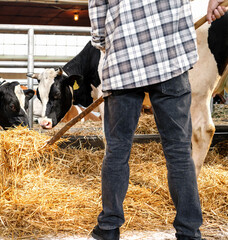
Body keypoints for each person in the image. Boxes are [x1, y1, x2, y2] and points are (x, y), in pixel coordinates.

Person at [87, 0, 227, 239]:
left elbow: (98, 12)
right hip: (170, 56)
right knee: (179, 153)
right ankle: (189, 231)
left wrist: (106, 41)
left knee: (117, 150)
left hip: (124, 60)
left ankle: (109, 228)